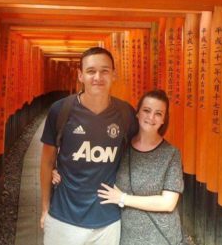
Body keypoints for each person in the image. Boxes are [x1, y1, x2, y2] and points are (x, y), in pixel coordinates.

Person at [53, 89, 184, 245]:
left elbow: (168, 203)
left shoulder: (171, 154)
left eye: (158, 113)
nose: (151, 117)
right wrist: (56, 171)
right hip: (126, 236)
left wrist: (123, 198)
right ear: (137, 114)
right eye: (146, 110)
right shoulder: (122, 146)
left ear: (164, 120)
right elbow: (93, 163)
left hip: (161, 236)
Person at [40, 47, 137, 245]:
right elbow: (47, 161)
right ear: (80, 76)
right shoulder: (60, 110)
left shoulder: (125, 113)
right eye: (91, 71)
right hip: (63, 218)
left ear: (114, 75)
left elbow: (137, 154)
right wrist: (44, 209)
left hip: (107, 219)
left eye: (105, 71)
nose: (98, 77)